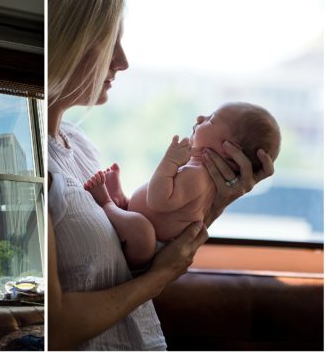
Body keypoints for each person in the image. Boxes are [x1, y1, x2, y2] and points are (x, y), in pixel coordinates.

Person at [47, 0, 276, 350]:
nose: (122, 60)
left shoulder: (79, 145)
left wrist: (216, 203)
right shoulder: (37, 162)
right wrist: (160, 278)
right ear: (66, 42)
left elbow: (131, 267)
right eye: (109, 41)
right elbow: (57, 326)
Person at [85, 103, 281, 269]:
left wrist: (169, 162)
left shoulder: (198, 176)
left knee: (140, 228)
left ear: (229, 149)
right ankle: (123, 203)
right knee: (139, 220)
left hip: (148, 247)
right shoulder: (202, 174)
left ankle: (107, 204)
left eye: (211, 119)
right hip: (151, 226)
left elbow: (157, 201)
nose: (200, 117)